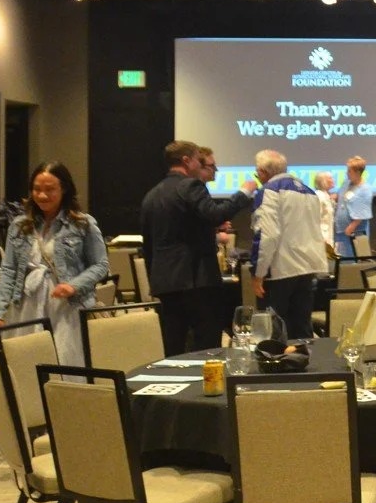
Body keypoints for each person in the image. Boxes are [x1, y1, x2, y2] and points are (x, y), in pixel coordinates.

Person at [0, 162, 108, 366]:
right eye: (37, 189)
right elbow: (9, 270)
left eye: (50, 189)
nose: (42, 195)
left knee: (65, 361)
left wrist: (74, 286)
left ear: (64, 189)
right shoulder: (19, 225)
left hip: (67, 306)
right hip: (27, 303)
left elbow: (101, 265)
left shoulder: (83, 224)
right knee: (27, 361)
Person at [141, 140, 254, 355]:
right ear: (186, 160)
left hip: (166, 283)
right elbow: (215, 214)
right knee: (206, 345)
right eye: (197, 160)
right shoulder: (190, 186)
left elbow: (150, 244)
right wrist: (243, 193)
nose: (199, 165)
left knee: (174, 346)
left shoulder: (152, 194)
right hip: (196, 280)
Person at [250, 150, 329, 340]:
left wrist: (258, 272)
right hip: (306, 268)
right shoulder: (309, 191)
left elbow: (267, 234)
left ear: (262, 172)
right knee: (301, 330)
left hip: (280, 270)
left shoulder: (269, 190)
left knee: (273, 334)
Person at [334, 157, 372, 257]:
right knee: (341, 259)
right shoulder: (346, 183)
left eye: (349, 171)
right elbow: (340, 196)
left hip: (354, 232)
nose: (347, 173)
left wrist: (351, 227)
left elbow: (362, 212)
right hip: (341, 230)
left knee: (353, 260)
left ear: (357, 172)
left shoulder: (365, 189)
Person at [312, 171, 337, 248]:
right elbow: (315, 218)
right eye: (330, 178)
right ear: (324, 181)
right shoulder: (319, 196)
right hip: (322, 238)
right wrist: (322, 237)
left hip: (328, 237)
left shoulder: (326, 195)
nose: (333, 180)